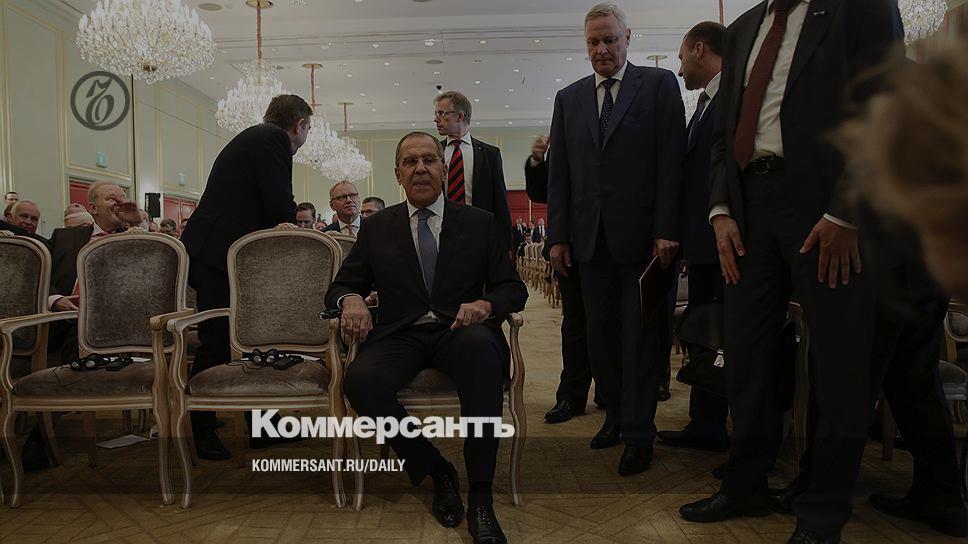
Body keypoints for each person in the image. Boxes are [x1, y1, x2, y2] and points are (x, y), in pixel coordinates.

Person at [678, 1, 902, 542]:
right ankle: (746, 482)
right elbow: (723, 133)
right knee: (746, 354)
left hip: (827, 209)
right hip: (748, 211)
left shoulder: (861, 8)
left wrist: (847, 211)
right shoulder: (745, 27)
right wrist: (721, 209)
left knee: (838, 365)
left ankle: (823, 511)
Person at [326, 132, 526, 544]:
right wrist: (352, 300)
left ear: (443, 169)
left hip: (462, 331)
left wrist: (487, 305)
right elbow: (342, 285)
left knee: (481, 355)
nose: (420, 168)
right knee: (360, 380)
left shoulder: (480, 222)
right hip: (402, 332)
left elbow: (512, 288)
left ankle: (481, 498)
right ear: (398, 174)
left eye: (429, 160)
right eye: (410, 161)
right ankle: (435, 468)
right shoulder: (378, 227)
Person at [547, 2, 685, 476]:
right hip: (589, 242)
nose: (602, 49)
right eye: (593, 41)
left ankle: (639, 433)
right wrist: (558, 236)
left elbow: (672, 162)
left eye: (609, 39)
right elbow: (560, 175)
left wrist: (668, 228)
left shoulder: (659, 85)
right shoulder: (569, 98)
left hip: (646, 244)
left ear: (628, 38)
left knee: (640, 340)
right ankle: (616, 418)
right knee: (600, 339)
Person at [839, 37, 968, 538]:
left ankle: (828, 492)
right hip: (924, 262)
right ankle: (940, 494)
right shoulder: (921, 86)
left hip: (892, 264)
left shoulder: (876, 91)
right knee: (913, 381)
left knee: (862, 380)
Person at [179, 93, 310, 461]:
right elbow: (278, 202)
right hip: (217, 253)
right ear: (299, 125)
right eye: (308, 130)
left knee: (250, 339)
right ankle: (200, 428)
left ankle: (262, 426)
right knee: (218, 338)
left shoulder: (256, 136)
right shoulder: (273, 138)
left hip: (221, 251)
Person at [656, 22, 729, 453]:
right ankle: (706, 423)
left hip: (727, 247)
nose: (680, 68)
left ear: (700, 49)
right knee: (706, 334)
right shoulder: (704, 103)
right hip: (703, 248)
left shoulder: (734, 99)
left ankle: (725, 428)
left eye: (682, 57)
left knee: (726, 339)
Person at [525, 135, 600, 423]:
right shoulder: (565, 135)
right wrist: (537, 161)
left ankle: (610, 391)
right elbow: (543, 192)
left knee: (610, 326)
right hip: (572, 248)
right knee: (575, 325)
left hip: (615, 245)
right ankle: (571, 396)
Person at [433, 90, 512, 244]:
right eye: (436, 113)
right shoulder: (434, 153)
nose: (436, 119)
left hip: (480, 235)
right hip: (441, 236)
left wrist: (506, 245)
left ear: (460, 116)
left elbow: (500, 202)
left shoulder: (490, 154)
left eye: (442, 113)